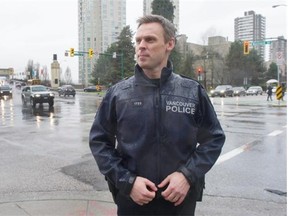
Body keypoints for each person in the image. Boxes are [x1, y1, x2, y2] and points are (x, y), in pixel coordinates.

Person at [89, 14, 225, 216]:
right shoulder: (118, 94)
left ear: (169, 44)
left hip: (179, 202)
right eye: (138, 40)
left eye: (150, 39)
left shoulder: (191, 91)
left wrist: (187, 176)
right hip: (132, 202)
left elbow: (213, 139)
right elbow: (99, 142)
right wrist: (127, 182)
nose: (141, 46)